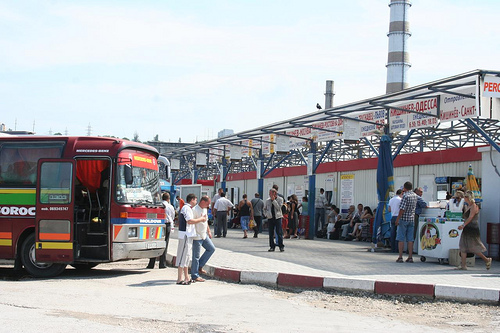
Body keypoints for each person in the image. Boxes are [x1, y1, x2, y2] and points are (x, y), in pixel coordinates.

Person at [456, 191, 492, 270]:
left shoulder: (474, 206)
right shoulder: (467, 206)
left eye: (465, 197)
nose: (464, 198)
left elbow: (471, 217)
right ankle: (463, 265)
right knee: (463, 246)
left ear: (469, 198)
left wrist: (463, 225)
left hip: (472, 228)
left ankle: (486, 259)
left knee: (473, 247)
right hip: (467, 228)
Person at [176, 193, 206, 285]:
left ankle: (186, 277)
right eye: (195, 200)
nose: (196, 202)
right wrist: (201, 219)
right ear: (192, 200)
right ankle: (179, 278)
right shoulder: (187, 208)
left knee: (186, 256)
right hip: (185, 234)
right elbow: (189, 221)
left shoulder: (187, 208)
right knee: (183, 256)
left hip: (188, 235)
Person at [147, 192, 175, 269]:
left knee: (154, 242)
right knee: (165, 243)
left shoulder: (158, 205)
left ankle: (151, 263)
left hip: (157, 224)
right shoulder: (170, 206)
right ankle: (162, 264)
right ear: (168, 199)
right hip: (167, 225)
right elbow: (172, 216)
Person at [191, 195, 215, 282]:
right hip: (197, 236)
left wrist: (209, 231)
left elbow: (206, 221)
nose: (208, 205)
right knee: (195, 256)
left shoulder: (205, 209)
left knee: (211, 248)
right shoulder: (195, 210)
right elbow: (191, 221)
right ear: (203, 202)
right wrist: (200, 219)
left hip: (204, 234)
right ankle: (194, 275)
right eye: (208, 203)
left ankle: (200, 266)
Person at [395, 181, 418, 263]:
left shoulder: (405, 196)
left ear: (404, 188)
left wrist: (397, 219)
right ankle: (410, 257)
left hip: (403, 219)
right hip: (411, 219)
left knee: (401, 238)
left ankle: (400, 257)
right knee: (410, 239)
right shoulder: (415, 196)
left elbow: (402, 209)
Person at [388, 189, 403, 253]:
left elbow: (389, 210)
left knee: (392, 233)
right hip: (399, 217)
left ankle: (392, 248)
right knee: (398, 233)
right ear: (401, 194)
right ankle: (397, 248)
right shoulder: (400, 200)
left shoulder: (391, 200)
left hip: (393, 216)